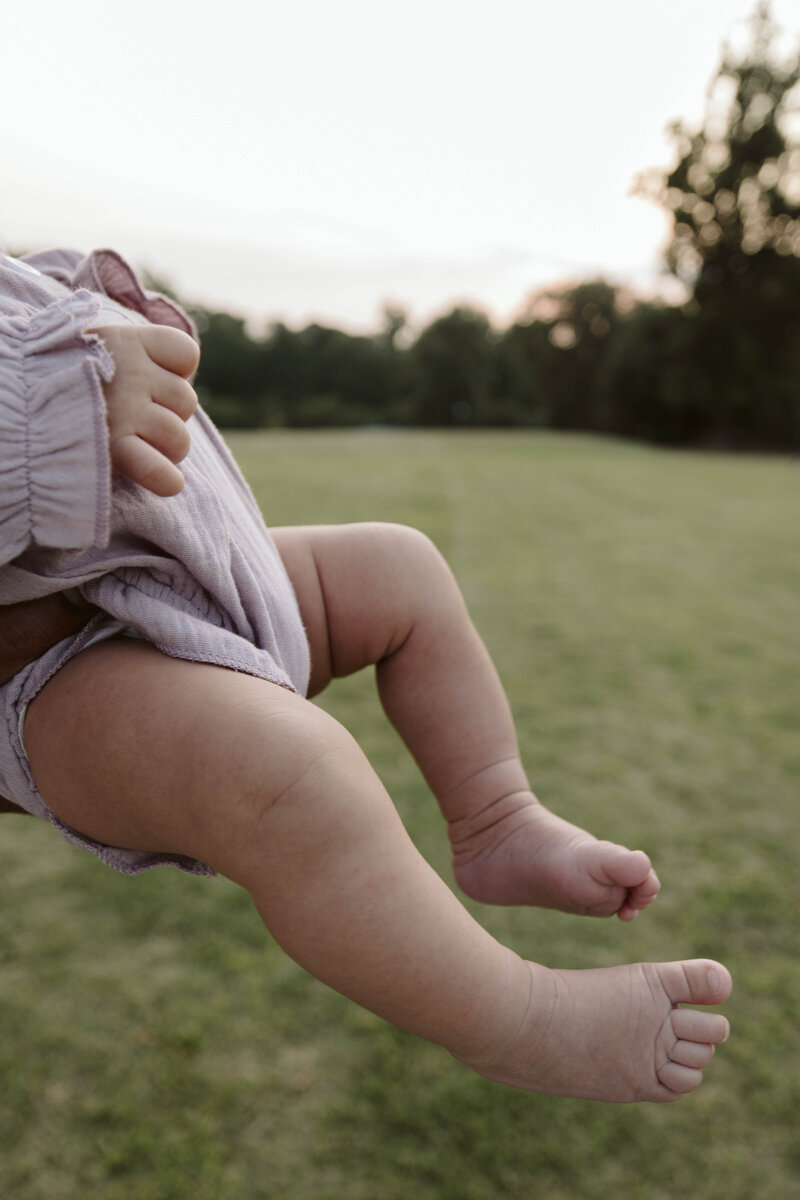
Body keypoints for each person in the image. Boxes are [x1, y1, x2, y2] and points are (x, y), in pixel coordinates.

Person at [0, 247, 732, 1103]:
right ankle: (522, 1018)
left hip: (194, 582)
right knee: (285, 773)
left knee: (399, 566)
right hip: (51, 668)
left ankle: (498, 818)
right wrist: (60, 397)